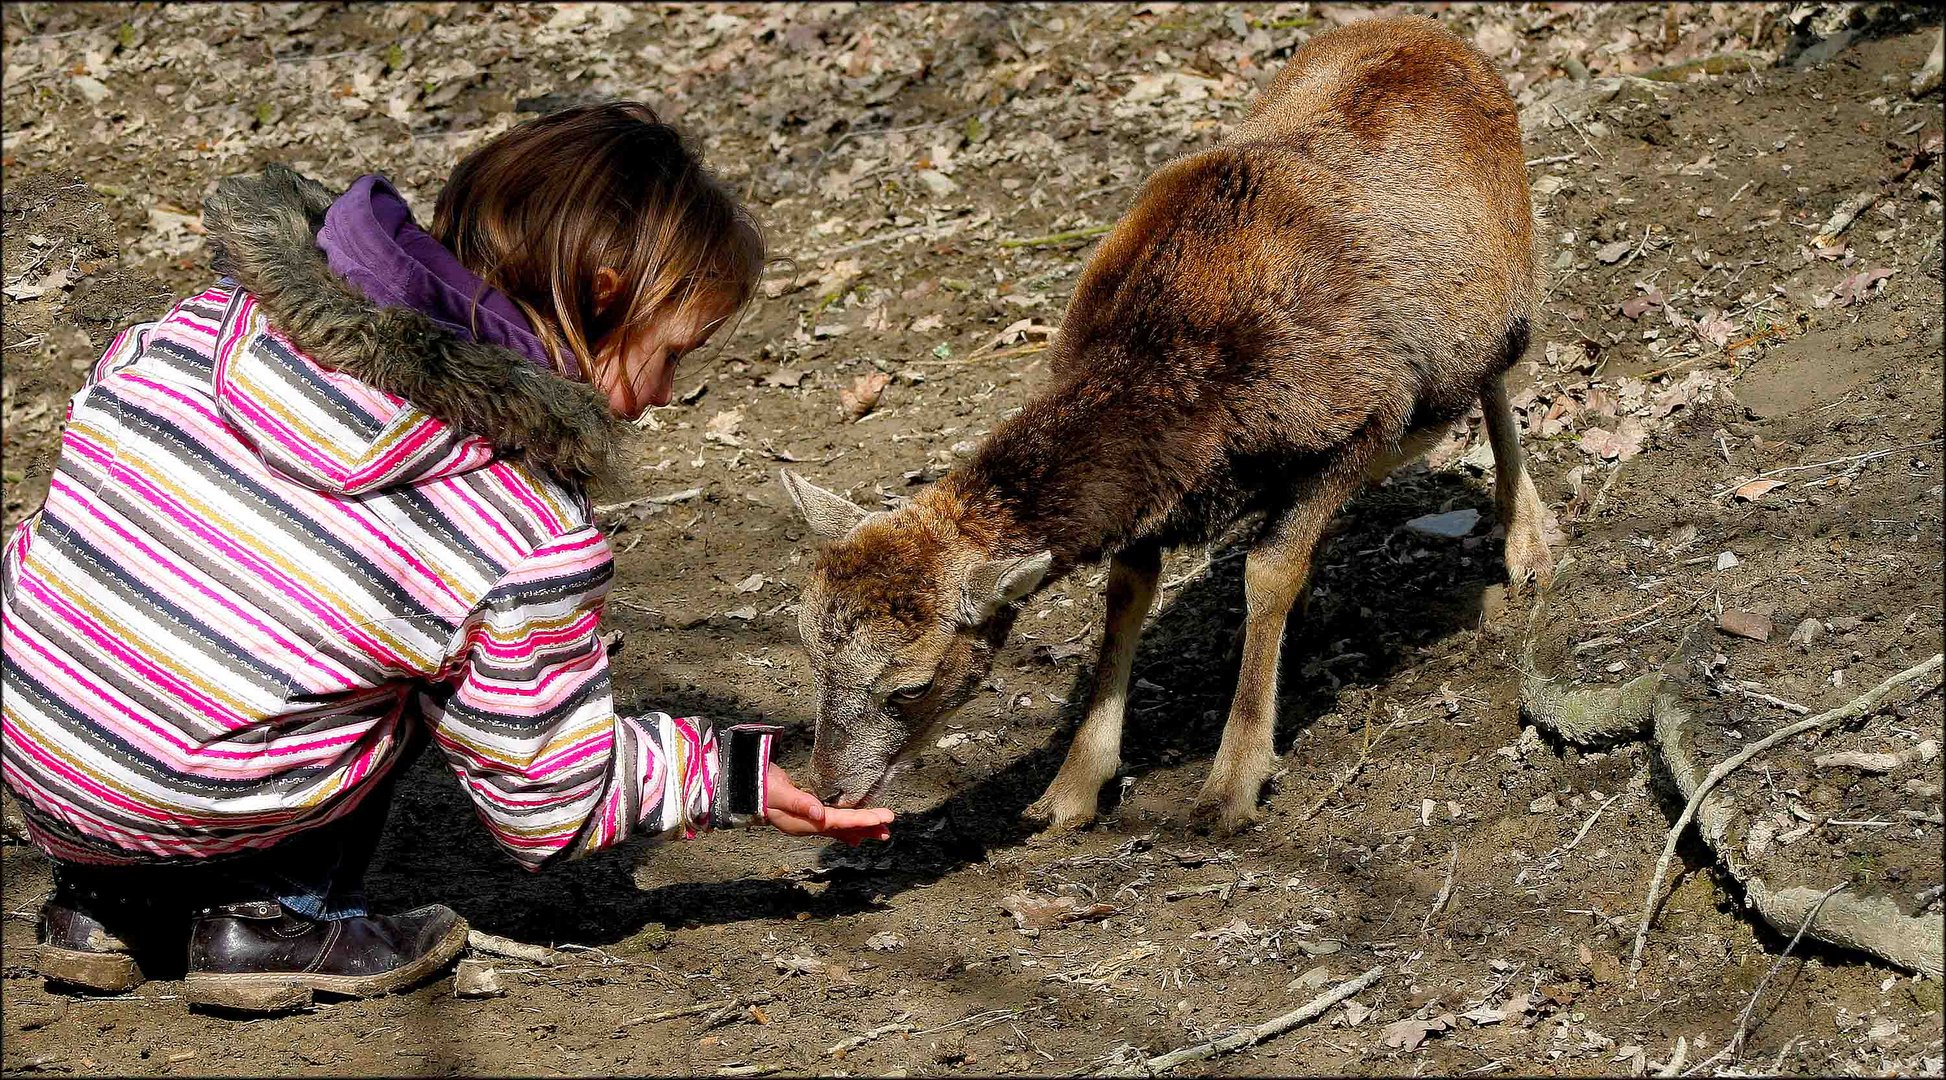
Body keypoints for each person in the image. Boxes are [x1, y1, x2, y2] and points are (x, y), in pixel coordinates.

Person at [0, 102, 892, 1013]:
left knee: (144, 568)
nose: (666, 395)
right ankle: (272, 915)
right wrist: (721, 776)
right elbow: (547, 795)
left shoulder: (211, 324)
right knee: (434, 655)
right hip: (203, 796)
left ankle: (101, 905)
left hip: (34, 750)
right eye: (670, 355)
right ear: (606, 292)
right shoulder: (520, 518)